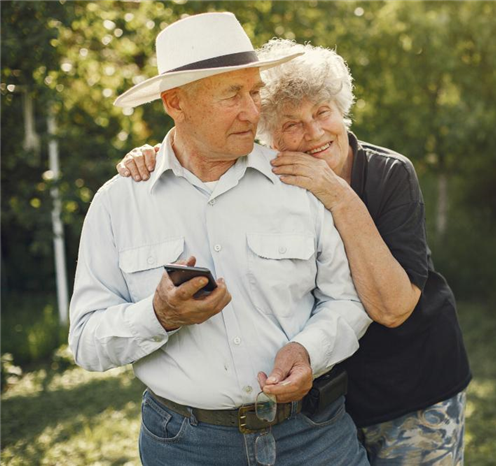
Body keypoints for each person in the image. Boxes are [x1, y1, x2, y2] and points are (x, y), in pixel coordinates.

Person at [119, 38, 473, 465]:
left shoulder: (387, 174)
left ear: (341, 109)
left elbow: (394, 308)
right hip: (324, 405)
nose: (314, 132)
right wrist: (161, 156)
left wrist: (338, 195)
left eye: (322, 112)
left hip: (412, 390)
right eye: (291, 124)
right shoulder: (274, 181)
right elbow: (202, 152)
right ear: (267, 136)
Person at [69, 13, 373, 466]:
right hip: (185, 447)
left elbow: (348, 300)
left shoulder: (297, 181)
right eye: (232, 94)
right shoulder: (118, 203)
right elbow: (86, 341)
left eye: (254, 91)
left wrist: (308, 349)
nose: (253, 111)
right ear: (176, 102)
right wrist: (158, 315)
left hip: (313, 436)